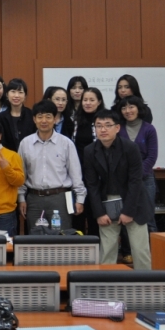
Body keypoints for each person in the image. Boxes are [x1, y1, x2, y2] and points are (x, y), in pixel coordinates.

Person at [82, 110, 153, 271]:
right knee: (107, 251)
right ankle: (107, 285)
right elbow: (91, 184)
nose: (103, 129)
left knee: (140, 251)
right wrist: (99, 213)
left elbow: (135, 181)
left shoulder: (130, 148)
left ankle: (144, 284)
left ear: (117, 128)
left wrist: (128, 211)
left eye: (108, 125)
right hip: (107, 202)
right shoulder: (89, 151)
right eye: (99, 126)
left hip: (134, 202)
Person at [17, 100, 86, 232]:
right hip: (34, 199)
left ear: (55, 119)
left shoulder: (66, 143)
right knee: (35, 238)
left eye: (48, 117)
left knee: (61, 237)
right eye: (40, 117)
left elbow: (75, 174)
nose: (44, 120)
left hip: (60, 198)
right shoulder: (25, 143)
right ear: (34, 119)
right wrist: (21, 198)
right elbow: (22, 175)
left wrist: (80, 199)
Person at [117, 95, 159, 264]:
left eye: (131, 107)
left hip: (145, 178)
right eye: (124, 108)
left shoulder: (149, 129)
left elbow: (152, 156)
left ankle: (154, 254)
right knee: (126, 215)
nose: (128, 111)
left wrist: (137, 174)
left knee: (147, 216)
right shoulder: (118, 129)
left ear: (139, 108)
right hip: (124, 180)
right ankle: (130, 253)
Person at [72, 87, 105, 235]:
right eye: (85, 100)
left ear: (99, 102)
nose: (88, 103)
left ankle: (95, 244)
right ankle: (78, 245)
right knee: (78, 212)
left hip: (98, 172)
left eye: (92, 100)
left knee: (95, 212)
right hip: (77, 171)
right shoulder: (75, 120)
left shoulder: (104, 121)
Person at [0, 78, 36, 151]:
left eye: (20, 92)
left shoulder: (31, 115)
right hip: (8, 156)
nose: (16, 95)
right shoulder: (1, 117)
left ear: (25, 96)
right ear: (7, 94)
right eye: (13, 92)